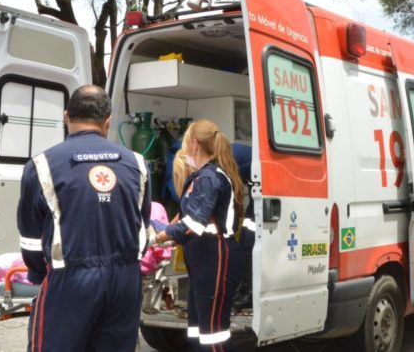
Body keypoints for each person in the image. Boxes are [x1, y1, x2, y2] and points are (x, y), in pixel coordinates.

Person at [17, 85, 151, 351]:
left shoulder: (42, 165)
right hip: (125, 283)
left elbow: (31, 241)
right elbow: (142, 231)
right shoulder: (137, 163)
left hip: (70, 282)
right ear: (108, 121)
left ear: (66, 116)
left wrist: (37, 273)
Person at [154, 119, 244, 352]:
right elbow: (186, 222)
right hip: (204, 259)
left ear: (194, 144)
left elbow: (192, 223)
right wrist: (159, 228)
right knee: (197, 332)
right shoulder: (204, 177)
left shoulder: (208, 178)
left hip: (215, 259)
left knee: (213, 335)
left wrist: (156, 238)